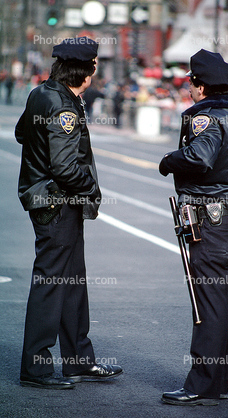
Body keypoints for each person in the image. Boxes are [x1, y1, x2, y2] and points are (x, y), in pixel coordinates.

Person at [159, 49, 228, 406]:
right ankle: (218, 380)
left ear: (200, 85)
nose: (189, 89)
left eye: (191, 82)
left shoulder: (204, 119)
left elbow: (199, 156)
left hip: (210, 221)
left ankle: (200, 382)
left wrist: (167, 161)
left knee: (207, 302)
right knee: (224, 302)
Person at [15, 37, 123, 389]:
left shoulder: (40, 93)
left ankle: (79, 361)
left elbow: (21, 133)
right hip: (57, 203)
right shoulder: (63, 106)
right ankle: (37, 368)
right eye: (94, 65)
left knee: (72, 282)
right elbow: (64, 167)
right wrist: (91, 188)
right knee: (51, 284)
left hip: (54, 202)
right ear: (87, 69)